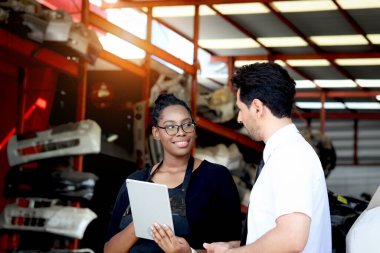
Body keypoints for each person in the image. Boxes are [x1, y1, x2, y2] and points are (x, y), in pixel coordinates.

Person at [203, 62, 332, 253]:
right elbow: (276, 234)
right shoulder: (284, 153)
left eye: (241, 108)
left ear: (257, 107)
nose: (239, 118)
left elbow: (291, 238)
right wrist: (236, 246)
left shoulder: (291, 156)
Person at [104, 93, 242, 253]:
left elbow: (235, 247)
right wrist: (140, 224)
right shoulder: (136, 182)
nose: (181, 132)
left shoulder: (215, 177)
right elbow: (109, 250)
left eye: (187, 124)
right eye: (170, 126)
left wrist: (188, 252)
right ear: (156, 133)